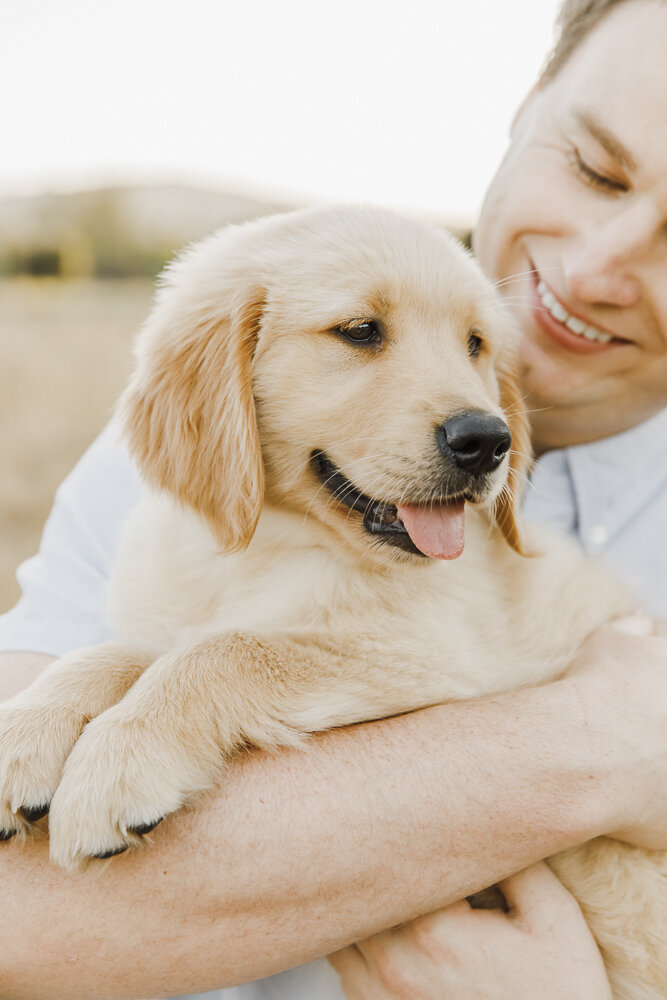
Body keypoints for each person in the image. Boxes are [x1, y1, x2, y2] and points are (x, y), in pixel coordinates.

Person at [0, 0, 666, 996]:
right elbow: (19, 918)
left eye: (478, 353)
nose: (599, 265)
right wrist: (596, 740)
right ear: (527, 108)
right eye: (595, 168)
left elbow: (412, 662)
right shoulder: (176, 454)